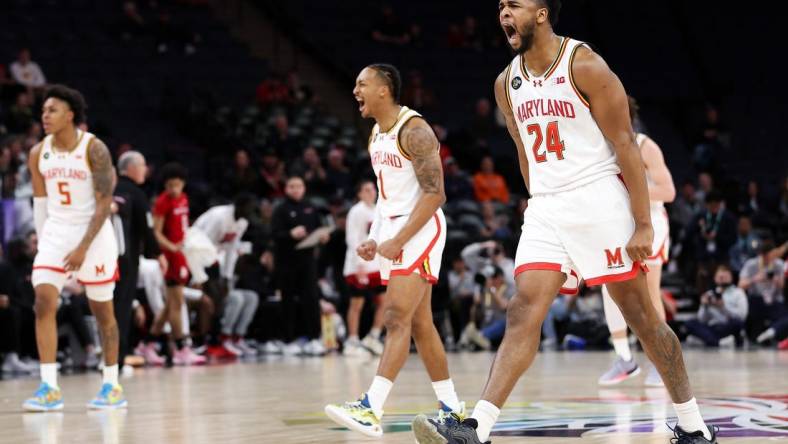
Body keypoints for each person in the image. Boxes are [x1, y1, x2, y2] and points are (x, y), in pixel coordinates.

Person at [412, 2, 716, 443]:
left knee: (643, 318)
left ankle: (693, 427)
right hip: (547, 207)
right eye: (500, 5)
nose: (503, 12)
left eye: (514, 4)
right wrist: (539, 199)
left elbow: (626, 145)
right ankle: (477, 428)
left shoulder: (585, 64)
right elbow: (522, 150)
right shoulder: (505, 83)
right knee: (522, 311)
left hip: (598, 200)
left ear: (541, 13)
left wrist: (643, 224)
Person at [325, 63, 462, 438]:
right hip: (397, 228)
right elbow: (388, 198)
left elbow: (436, 194)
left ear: (384, 89)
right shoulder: (376, 134)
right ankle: (451, 407)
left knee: (395, 316)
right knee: (419, 323)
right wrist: (375, 234)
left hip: (421, 229)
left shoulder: (414, 130)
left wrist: (399, 239)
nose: (355, 91)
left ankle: (372, 407)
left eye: (362, 84)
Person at [25, 85, 125, 411]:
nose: (45, 116)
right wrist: (44, 247)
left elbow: (104, 202)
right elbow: (40, 203)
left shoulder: (94, 149)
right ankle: (49, 387)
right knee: (42, 300)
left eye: (52, 110)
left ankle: (111, 383)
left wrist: (83, 246)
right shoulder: (38, 152)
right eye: (43, 111)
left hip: (93, 234)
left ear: (70, 115)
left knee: (102, 312)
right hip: (56, 233)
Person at [598, 96, 676, 387]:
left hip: (650, 222)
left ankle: (660, 361)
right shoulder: (602, 148)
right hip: (616, 223)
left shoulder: (645, 145)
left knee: (649, 293)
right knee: (608, 288)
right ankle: (625, 359)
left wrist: (632, 191)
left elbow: (668, 191)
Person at [112, 151, 166, 373]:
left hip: (105, 260)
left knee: (110, 308)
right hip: (127, 260)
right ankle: (118, 358)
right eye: (143, 165)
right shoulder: (136, 194)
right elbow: (147, 229)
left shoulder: (111, 190)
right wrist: (159, 254)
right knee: (122, 309)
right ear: (131, 168)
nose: (145, 170)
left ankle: (108, 357)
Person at [151, 163, 206, 365]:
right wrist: (171, 248)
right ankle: (181, 347)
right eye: (170, 185)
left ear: (183, 184)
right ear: (165, 185)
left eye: (177, 185)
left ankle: (149, 342)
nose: (174, 189)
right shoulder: (162, 202)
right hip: (170, 256)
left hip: (182, 253)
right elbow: (156, 232)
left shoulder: (184, 198)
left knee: (170, 305)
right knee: (177, 303)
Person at [271, 176, 330, 356]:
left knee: (311, 298)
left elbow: (320, 228)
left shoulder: (311, 207)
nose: (296, 189)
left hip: (307, 260)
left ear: (304, 188)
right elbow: (274, 234)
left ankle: (314, 338)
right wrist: (290, 234)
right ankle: (287, 340)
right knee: (287, 299)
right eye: (292, 186)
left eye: (299, 186)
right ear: (286, 189)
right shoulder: (280, 209)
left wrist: (323, 237)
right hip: (287, 261)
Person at [342, 180, 386, 357]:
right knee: (357, 304)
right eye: (366, 190)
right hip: (357, 265)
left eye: (373, 189)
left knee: (385, 301)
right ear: (359, 193)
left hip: (376, 265)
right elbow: (352, 238)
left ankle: (373, 336)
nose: (371, 192)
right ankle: (352, 340)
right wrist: (359, 264)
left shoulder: (378, 210)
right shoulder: (356, 211)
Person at [685, 265, 748, 347]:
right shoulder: (709, 294)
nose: (722, 279)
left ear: (731, 277)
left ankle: (706, 341)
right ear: (715, 278)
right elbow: (702, 319)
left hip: (727, 326)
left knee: (738, 323)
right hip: (711, 327)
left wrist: (723, 307)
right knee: (690, 323)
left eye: (725, 277)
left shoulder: (738, 293)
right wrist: (705, 306)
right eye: (720, 277)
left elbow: (742, 316)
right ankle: (719, 342)